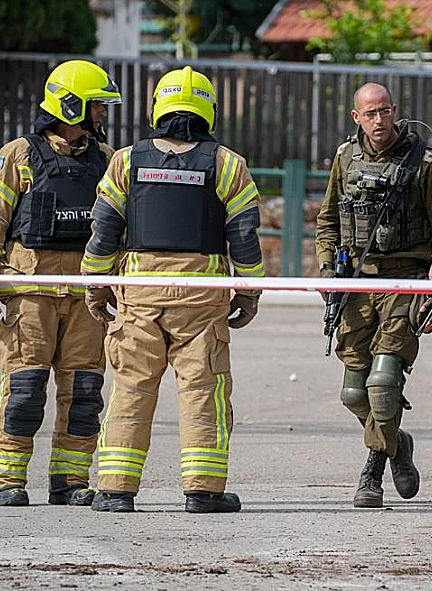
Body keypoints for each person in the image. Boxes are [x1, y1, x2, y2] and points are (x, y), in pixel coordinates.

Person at [81, 66, 265, 513]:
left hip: (139, 293)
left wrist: (95, 285)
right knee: (204, 390)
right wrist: (249, 293)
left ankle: (115, 490)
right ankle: (203, 491)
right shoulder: (226, 164)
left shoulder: (125, 160)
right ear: (209, 110)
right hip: (201, 298)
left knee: (130, 388)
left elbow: (104, 230)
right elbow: (244, 237)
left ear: (157, 107)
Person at [0, 60, 122, 507]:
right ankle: (9, 478)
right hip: (28, 294)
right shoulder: (18, 154)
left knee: (85, 393)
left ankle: (70, 480)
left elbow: (122, 229)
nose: (103, 115)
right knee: (25, 389)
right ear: (72, 106)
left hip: (87, 298)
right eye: (97, 106)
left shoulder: (108, 161)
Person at [315, 83, 432, 508]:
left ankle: (371, 471)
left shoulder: (424, 163)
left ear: (395, 112)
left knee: (384, 382)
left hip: (403, 282)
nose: (379, 120)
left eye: (385, 111)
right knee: (354, 393)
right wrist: (327, 271)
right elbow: (328, 220)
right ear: (356, 117)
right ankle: (398, 442)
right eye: (370, 114)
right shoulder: (344, 159)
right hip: (356, 282)